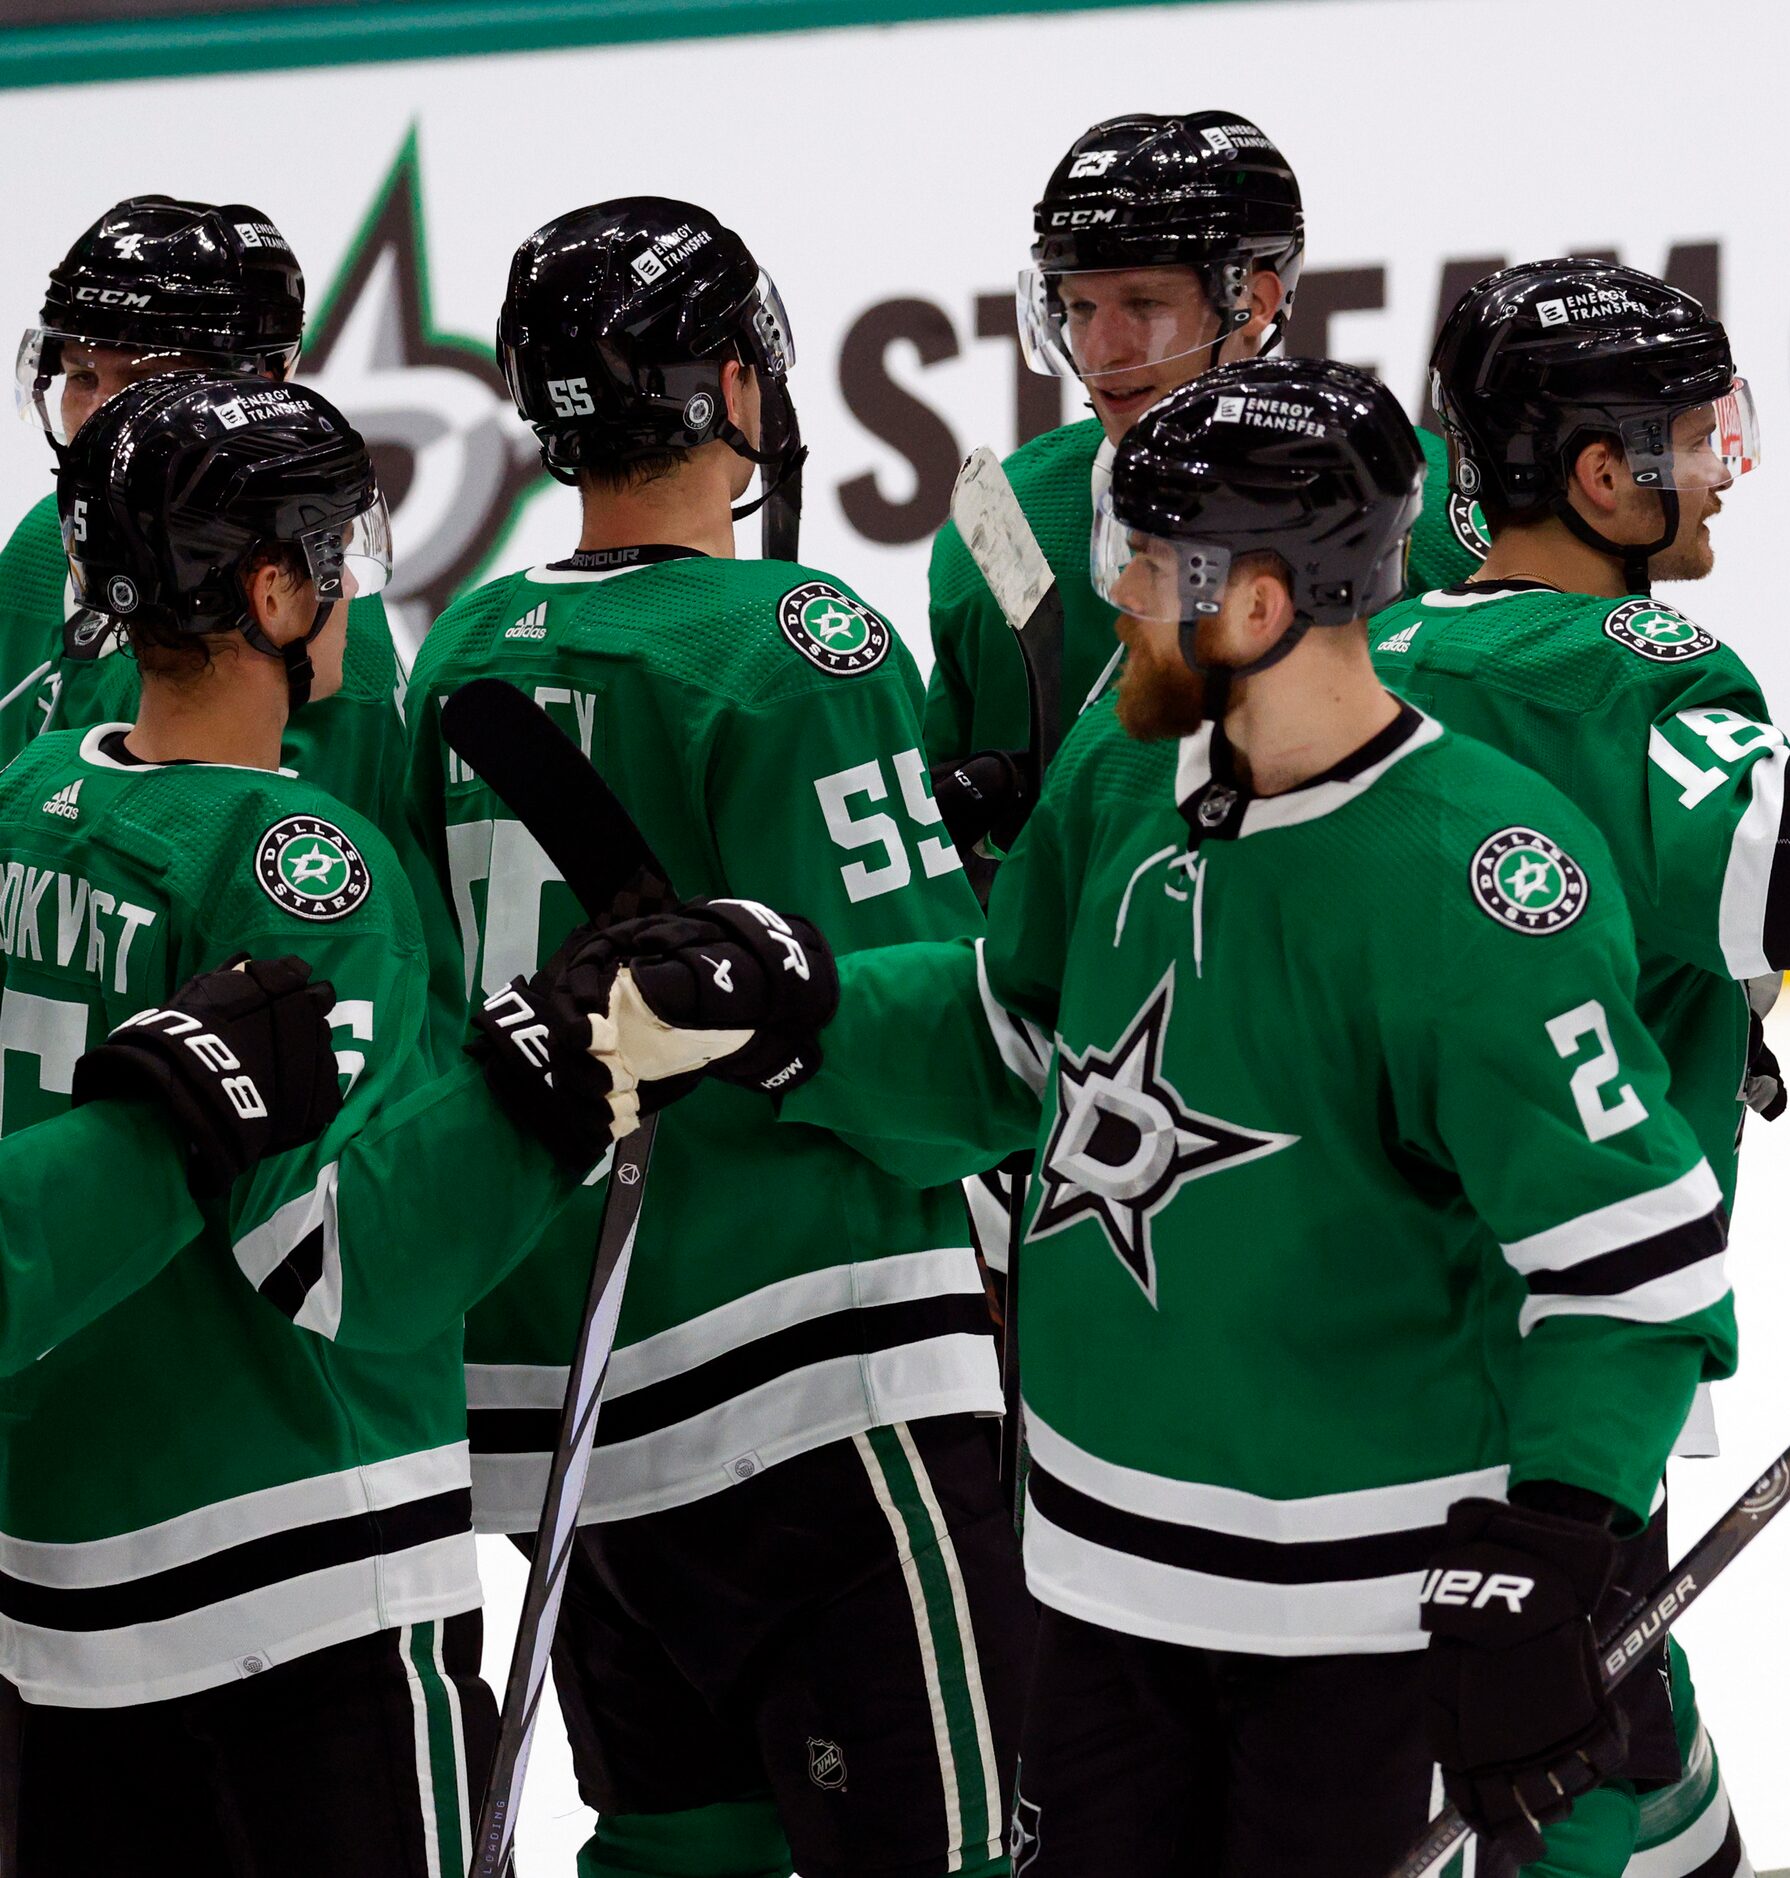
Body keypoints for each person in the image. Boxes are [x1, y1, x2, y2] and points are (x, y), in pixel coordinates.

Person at [632, 355, 1737, 1876]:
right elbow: (1010, 1037)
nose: (1119, 595)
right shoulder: (1120, 769)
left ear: (1264, 604)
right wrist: (797, 1008)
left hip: (1360, 1615)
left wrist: (1553, 1550)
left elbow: (1630, 1264)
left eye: (1151, 568)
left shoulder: (1481, 874)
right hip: (1099, 1591)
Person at [1367, 257, 1790, 1877]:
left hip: (1361, 1322)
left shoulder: (1379, 647)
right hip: (1539, 1356)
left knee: (1606, 1737)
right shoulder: (1617, 673)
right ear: (1599, 478)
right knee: (1572, 1748)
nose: (1721, 459)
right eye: (1693, 430)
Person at [404, 196, 1029, 1878]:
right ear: (730, 387)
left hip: (565, 1401)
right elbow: (948, 1061)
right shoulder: (792, 642)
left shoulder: (463, 642)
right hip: (815, 1384)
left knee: (677, 1845)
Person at [0, 371, 627, 1875]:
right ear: (273, 588)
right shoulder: (302, 857)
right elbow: (337, 1256)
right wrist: (559, 1083)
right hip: (298, 1573)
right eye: (337, 551)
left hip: (56, 1579)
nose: (355, 586)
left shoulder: (22, 801)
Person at [920, 109, 1487, 861]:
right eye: (1080, 306)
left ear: (1252, 303)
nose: (1100, 348)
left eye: (1145, 305)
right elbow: (944, 867)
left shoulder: (1423, 509)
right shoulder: (1002, 521)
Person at [4, 197, 414, 826]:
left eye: (155, 382)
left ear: (267, 382)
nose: (102, 420)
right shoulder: (43, 538)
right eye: (82, 376)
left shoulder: (322, 629)